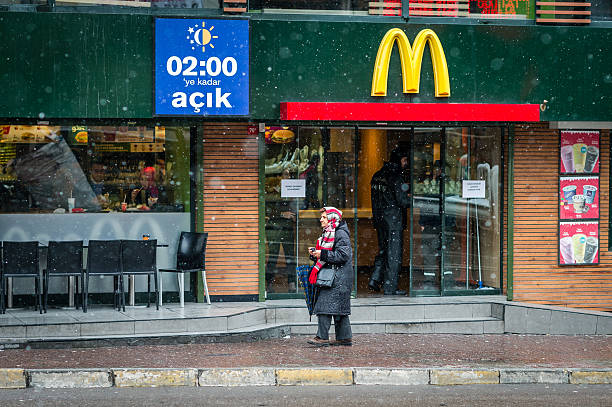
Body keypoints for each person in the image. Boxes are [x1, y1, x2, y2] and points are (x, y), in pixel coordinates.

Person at [307, 207, 353, 347]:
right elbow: (330, 255)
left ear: (333, 219)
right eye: (321, 217)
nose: (321, 219)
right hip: (336, 276)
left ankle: (322, 337)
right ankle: (344, 337)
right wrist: (315, 254)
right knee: (339, 310)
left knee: (323, 306)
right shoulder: (329, 233)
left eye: (324, 217)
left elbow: (343, 255)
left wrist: (323, 254)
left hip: (338, 278)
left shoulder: (340, 234)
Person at [368, 148, 411, 295]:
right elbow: (403, 201)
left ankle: (375, 279)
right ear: (398, 160)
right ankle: (390, 287)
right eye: (404, 160)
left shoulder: (377, 176)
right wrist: (411, 197)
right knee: (393, 255)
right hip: (393, 222)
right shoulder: (395, 177)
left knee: (383, 251)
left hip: (379, 220)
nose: (406, 163)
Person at [265, 168, 297, 292]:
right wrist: (282, 214)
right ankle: (269, 283)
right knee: (273, 256)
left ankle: (292, 282)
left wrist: (295, 216)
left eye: (290, 175)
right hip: (273, 227)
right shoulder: (271, 190)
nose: (288, 177)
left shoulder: (292, 190)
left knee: (290, 257)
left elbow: (297, 206)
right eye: (285, 174)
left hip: (288, 227)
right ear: (279, 176)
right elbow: (266, 209)